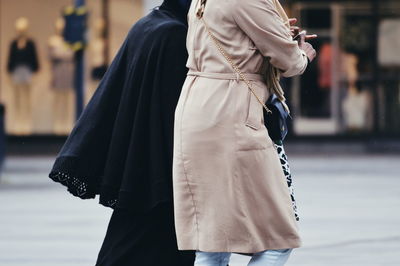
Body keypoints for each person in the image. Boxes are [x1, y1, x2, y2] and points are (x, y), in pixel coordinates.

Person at [48, 0, 195, 265]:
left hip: (142, 169)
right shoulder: (174, 35)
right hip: (163, 176)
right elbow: (175, 111)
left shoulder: (149, 25)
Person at [172, 0, 316, 265]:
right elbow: (289, 61)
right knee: (278, 239)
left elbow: (234, 38)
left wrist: (277, 32)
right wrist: (302, 53)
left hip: (197, 109)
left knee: (212, 239)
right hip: (232, 112)